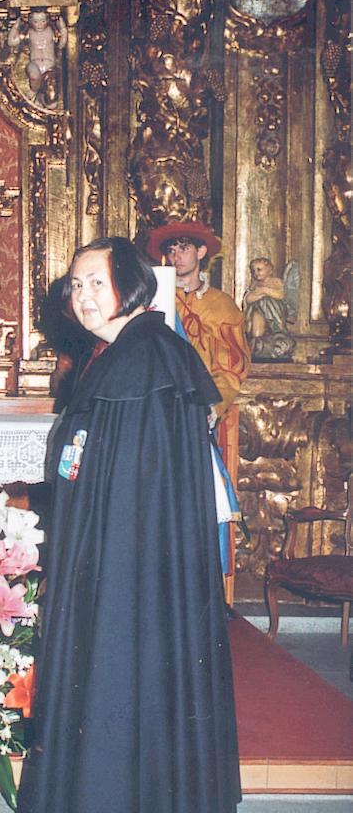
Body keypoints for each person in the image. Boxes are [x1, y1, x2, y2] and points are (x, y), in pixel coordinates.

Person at [14, 236, 240, 813]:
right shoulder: (123, 352)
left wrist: (104, 564)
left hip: (129, 571)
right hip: (117, 559)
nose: (81, 296)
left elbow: (140, 486)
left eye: (95, 282)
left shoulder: (146, 355)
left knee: (122, 695)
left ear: (133, 286)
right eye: (75, 285)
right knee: (127, 698)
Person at [145, 220, 250, 599]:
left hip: (202, 411)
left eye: (184, 248)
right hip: (157, 410)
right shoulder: (156, 301)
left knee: (201, 501)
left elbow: (231, 367)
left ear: (201, 252)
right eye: (171, 250)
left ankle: (206, 594)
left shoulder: (221, 305)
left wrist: (212, 405)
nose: (177, 256)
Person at [6, 8, 67, 106]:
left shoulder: (52, 31)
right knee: (34, 76)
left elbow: (62, 44)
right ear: (31, 21)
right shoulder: (28, 33)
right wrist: (16, 26)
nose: (39, 25)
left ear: (47, 20)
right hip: (34, 64)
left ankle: (40, 100)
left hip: (50, 67)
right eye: (35, 22)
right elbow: (11, 42)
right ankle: (34, 90)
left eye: (42, 21)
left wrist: (63, 28)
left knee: (52, 100)